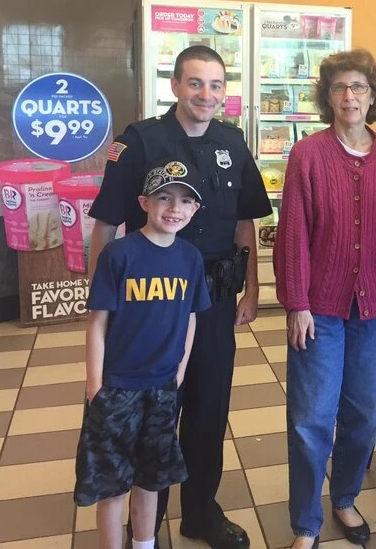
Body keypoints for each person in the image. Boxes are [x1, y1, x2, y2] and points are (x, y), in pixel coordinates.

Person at [89, 44, 271, 549]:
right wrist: (102, 301)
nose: (206, 95)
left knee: (209, 408)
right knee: (151, 405)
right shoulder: (141, 141)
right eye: (195, 83)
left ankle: (200, 513)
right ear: (174, 86)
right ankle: (147, 518)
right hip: (150, 306)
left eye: (216, 85)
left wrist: (253, 289)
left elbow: (244, 221)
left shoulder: (233, 142)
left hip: (213, 299)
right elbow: (105, 224)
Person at [274, 49, 376, 549]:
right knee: (311, 417)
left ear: (373, 94)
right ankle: (305, 523)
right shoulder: (308, 154)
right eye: (339, 88)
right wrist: (296, 302)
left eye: (358, 86)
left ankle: (345, 497)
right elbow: (293, 234)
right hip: (320, 310)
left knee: (364, 416)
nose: (349, 96)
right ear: (327, 97)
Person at [74, 159, 211, 549]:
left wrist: (180, 370)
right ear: (144, 203)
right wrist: (95, 383)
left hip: (163, 386)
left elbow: (190, 319)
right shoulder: (119, 255)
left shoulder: (190, 258)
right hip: (116, 387)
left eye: (185, 201)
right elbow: (97, 323)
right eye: (163, 198)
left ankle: (144, 543)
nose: (174, 208)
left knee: (151, 478)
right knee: (112, 484)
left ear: (195, 209)